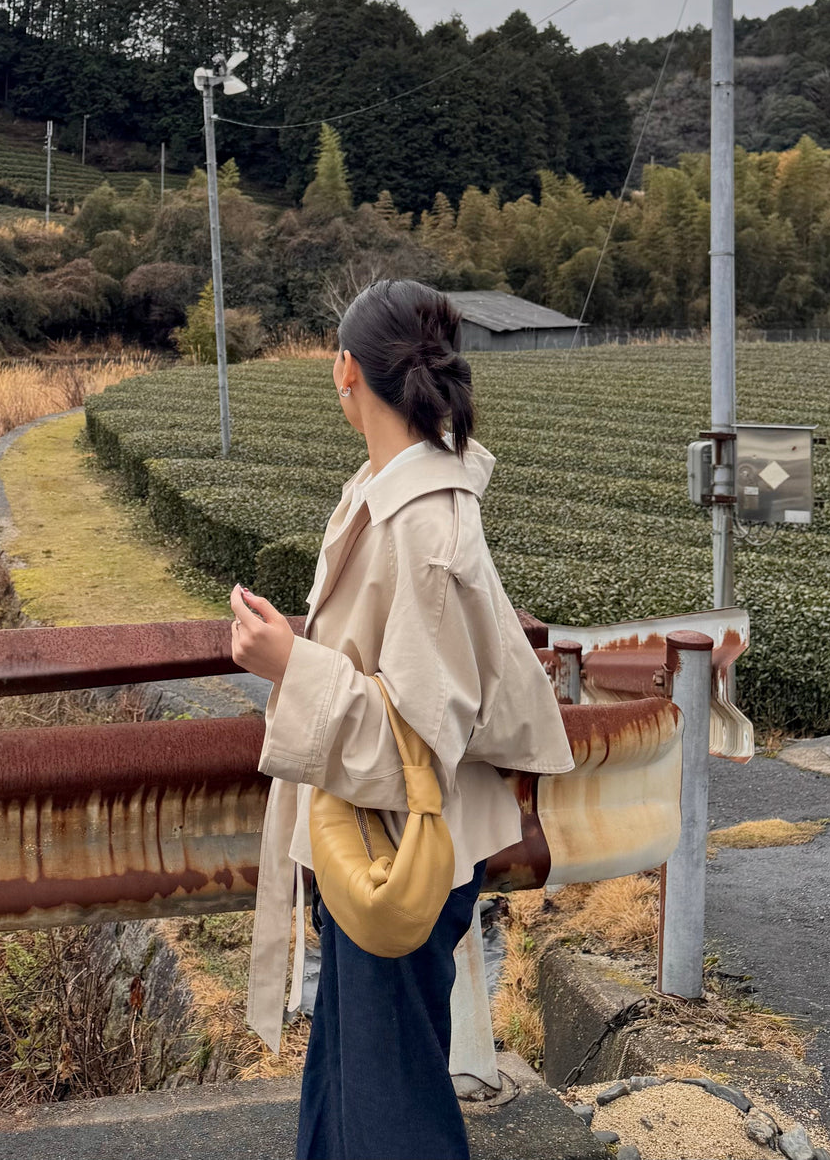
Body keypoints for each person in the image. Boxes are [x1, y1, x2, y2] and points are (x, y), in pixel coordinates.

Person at [229, 278, 573, 1160]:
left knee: (390, 1109)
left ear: (346, 370)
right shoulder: (393, 491)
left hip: (398, 847)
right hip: (372, 840)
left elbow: (424, 733)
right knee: (349, 1082)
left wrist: (288, 664)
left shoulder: (422, 524)